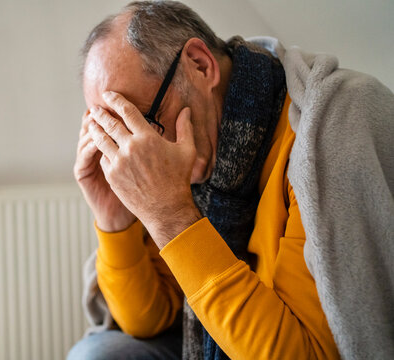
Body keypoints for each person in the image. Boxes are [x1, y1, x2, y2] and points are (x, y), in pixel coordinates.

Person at [68, 1, 394, 359]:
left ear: (200, 65)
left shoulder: (326, 129)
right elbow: (150, 320)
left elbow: (306, 352)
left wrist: (173, 219)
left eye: (143, 121)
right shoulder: (182, 150)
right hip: (207, 340)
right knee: (100, 352)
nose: (135, 152)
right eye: (116, 134)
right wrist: (114, 218)